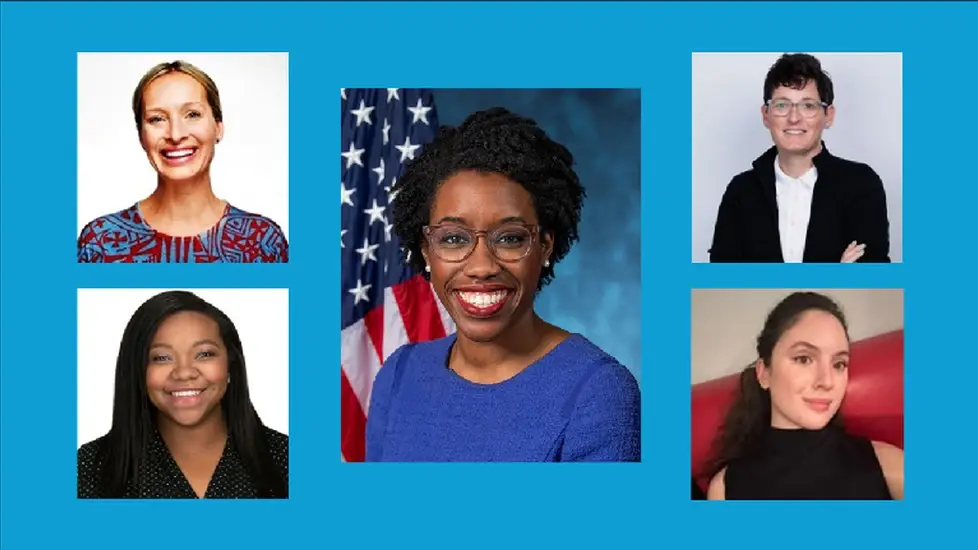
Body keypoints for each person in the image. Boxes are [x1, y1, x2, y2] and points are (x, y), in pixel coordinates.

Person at [366, 107, 641, 462]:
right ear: (425, 251)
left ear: (545, 245)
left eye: (509, 238)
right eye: (453, 239)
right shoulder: (398, 374)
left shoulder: (599, 392)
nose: (481, 266)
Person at [77, 290, 288, 498]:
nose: (184, 372)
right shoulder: (88, 469)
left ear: (231, 365)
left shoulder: (287, 459)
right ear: (138, 370)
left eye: (204, 354)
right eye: (161, 357)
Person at [77, 60, 288, 263]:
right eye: (157, 119)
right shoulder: (100, 242)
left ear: (218, 127)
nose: (176, 135)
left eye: (192, 114)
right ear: (141, 135)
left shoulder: (262, 242)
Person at [702, 292, 903, 500]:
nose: (827, 381)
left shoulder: (888, 465)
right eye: (804, 359)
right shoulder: (725, 489)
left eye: (839, 364)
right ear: (764, 373)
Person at [709, 53, 890, 263]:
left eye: (808, 106)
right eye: (782, 105)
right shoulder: (741, 191)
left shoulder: (861, 184)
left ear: (828, 115)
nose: (794, 118)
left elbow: (869, 271)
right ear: (765, 115)